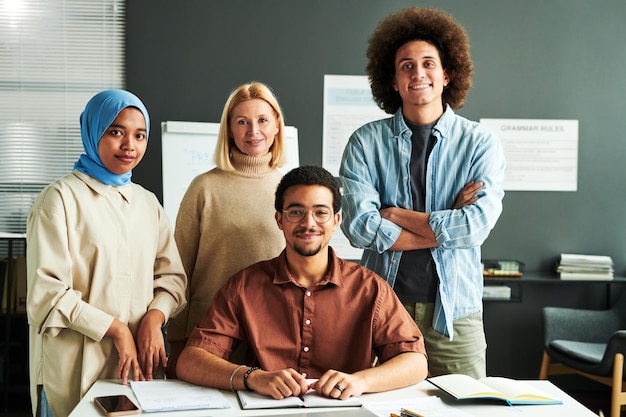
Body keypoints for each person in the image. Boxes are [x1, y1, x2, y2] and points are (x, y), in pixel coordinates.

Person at [339, 7, 506, 379]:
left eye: (428, 63)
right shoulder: (365, 143)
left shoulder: (480, 143)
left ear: (447, 74)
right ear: (393, 81)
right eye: (406, 66)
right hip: (381, 312)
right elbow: (360, 228)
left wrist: (394, 214)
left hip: (455, 314)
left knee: (464, 409)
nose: (418, 73)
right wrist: (447, 224)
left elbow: (475, 228)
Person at [176, 165, 428, 400]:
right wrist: (253, 378)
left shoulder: (369, 288)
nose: (309, 223)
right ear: (279, 220)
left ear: (336, 221)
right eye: (296, 212)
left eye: (320, 213)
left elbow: (415, 362)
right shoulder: (244, 286)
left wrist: (360, 382)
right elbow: (191, 361)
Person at [26, 89, 187, 417]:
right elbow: (48, 295)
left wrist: (154, 320)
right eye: (116, 132)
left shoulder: (147, 203)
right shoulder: (59, 199)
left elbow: (172, 279)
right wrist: (116, 330)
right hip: (72, 368)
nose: (130, 145)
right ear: (92, 132)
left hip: (139, 367)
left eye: (139, 135)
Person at [166, 82, 287, 376]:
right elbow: (178, 269)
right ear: (229, 130)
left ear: (276, 127)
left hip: (273, 334)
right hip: (209, 333)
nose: (253, 131)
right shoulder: (204, 188)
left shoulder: (290, 189)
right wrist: (179, 339)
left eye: (262, 120)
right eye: (242, 122)